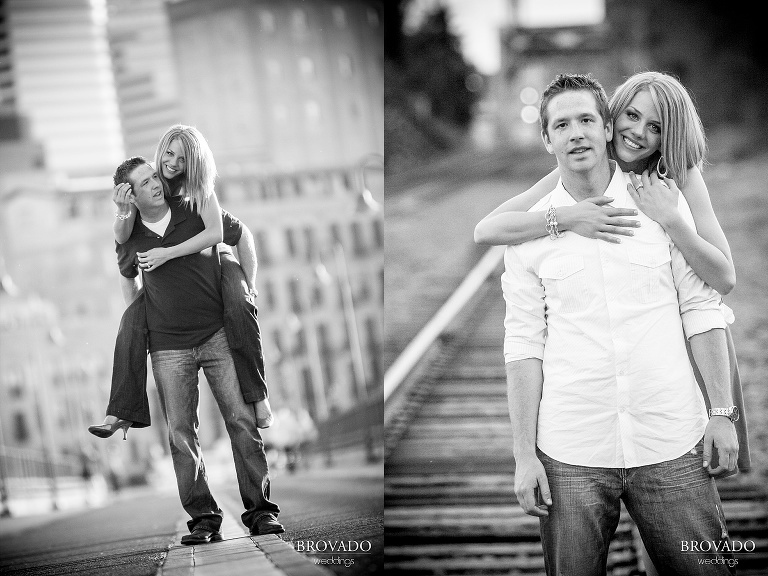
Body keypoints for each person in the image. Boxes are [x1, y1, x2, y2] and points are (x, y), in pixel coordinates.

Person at [500, 73, 737, 575]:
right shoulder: (530, 231)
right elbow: (523, 346)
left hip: (670, 441)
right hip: (572, 451)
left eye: (586, 119)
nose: (576, 133)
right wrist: (524, 456)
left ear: (605, 128)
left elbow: (704, 307)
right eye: (561, 125)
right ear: (547, 139)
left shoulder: (660, 201)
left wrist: (722, 412)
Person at [109, 155, 283, 543]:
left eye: (154, 176)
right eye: (145, 183)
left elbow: (239, 234)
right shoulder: (129, 231)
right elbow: (128, 278)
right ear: (131, 196)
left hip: (217, 333)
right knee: (181, 434)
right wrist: (141, 322)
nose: (156, 183)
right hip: (169, 347)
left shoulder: (193, 205)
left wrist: (248, 287)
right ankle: (204, 519)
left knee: (240, 420)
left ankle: (261, 512)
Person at [88, 125, 273, 439]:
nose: (173, 164)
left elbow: (224, 234)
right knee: (130, 322)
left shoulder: (195, 188)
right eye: (169, 154)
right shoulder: (143, 194)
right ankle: (120, 412)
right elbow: (122, 239)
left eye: (183, 159)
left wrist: (250, 282)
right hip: (169, 297)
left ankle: (259, 396)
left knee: (241, 303)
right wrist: (122, 210)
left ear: (194, 163)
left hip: (219, 259)